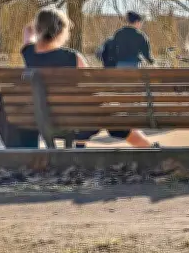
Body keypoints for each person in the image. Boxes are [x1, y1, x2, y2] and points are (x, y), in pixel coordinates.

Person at [19, 9, 160, 148]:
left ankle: (81, 146)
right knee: (114, 119)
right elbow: (92, 91)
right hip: (78, 121)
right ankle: (150, 148)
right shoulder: (73, 57)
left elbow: (28, 32)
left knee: (99, 115)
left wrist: (41, 25)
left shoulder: (28, 53)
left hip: (44, 119)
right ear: (61, 31)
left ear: (39, 29)